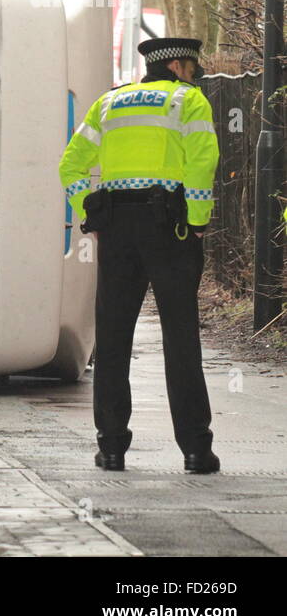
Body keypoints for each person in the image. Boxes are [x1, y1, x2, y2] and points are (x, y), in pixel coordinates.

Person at [59, 37, 220, 474]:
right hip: (170, 226)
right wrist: (199, 218)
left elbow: (70, 166)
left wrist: (90, 213)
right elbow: (201, 166)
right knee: (180, 337)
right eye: (193, 65)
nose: (196, 72)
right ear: (181, 65)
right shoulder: (189, 100)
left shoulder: (109, 104)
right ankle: (195, 450)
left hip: (117, 230)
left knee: (112, 338)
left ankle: (111, 447)